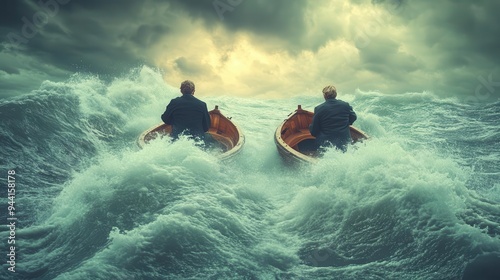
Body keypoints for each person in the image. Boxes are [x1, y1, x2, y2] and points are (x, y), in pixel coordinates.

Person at [309, 85, 357, 152]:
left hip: (326, 144)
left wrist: (311, 129)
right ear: (335, 94)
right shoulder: (345, 105)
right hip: (344, 141)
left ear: (325, 96)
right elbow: (354, 117)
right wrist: (346, 124)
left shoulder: (319, 108)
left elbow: (314, 130)